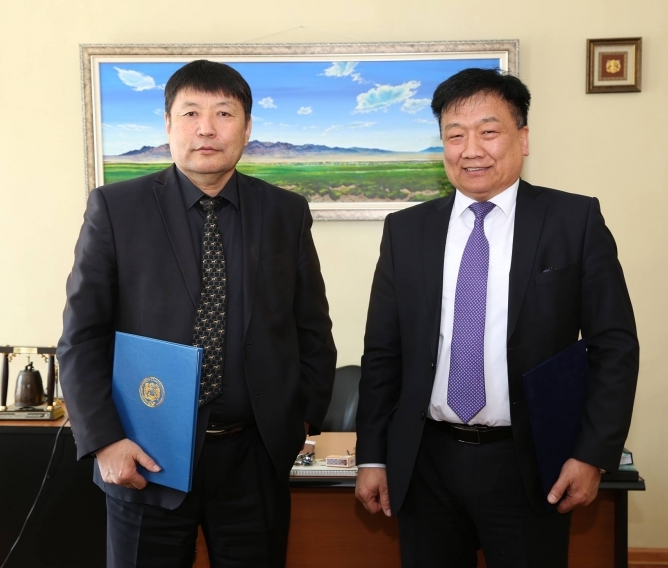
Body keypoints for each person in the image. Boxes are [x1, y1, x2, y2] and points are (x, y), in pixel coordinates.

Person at [57, 60, 337, 568]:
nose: (207, 128)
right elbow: (82, 337)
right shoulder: (116, 208)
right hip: (144, 452)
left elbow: (311, 329)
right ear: (168, 124)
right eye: (191, 113)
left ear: (247, 128)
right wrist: (104, 440)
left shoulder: (285, 212)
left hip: (254, 458)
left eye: (224, 113)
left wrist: (297, 422)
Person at [354, 67, 638, 567]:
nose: (471, 150)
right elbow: (383, 353)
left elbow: (613, 346)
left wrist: (592, 454)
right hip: (426, 461)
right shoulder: (406, 230)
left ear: (522, 138)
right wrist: (373, 456)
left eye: (488, 132)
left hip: (529, 461)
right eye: (454, 136)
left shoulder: (574, 221)